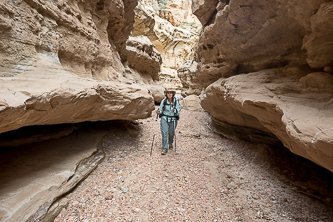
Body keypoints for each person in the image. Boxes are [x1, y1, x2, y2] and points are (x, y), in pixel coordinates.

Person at [156, 88, 182, 155]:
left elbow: (178, 111)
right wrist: (158, 112)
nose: (169, 94)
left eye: (171, 93)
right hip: (164, 118)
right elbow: (161, 110)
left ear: (173, 94)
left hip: (173, 119)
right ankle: (164, 148)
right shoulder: (163, 101)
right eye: (168, 93)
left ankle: (170, 143)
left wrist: (176, 111)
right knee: (164, 133)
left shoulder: (175, 101)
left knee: (171, 133)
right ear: (166, 94)